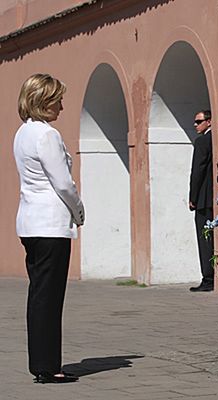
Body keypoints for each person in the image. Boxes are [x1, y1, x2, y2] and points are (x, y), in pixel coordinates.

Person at [13, 74, 85, 384]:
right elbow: (63, 184)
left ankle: (42, 362)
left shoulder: (22, 133)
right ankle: (47, 365)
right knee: (49, 297)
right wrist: (79, 212)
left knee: (40, 295)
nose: (62, 106)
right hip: (50, 224)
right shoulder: (47, 135)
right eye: (57, 100)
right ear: (44, 101)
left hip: (31, 221)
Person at [189, 110, 214, 292]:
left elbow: (197, 171)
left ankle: (208, 278)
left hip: (204, 198)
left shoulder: (202, 141)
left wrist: (193, 197)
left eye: (199, 121)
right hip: (215, 196)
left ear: (209, 121)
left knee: (205, 239)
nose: (196, 125)